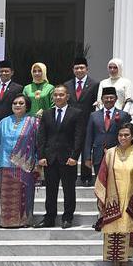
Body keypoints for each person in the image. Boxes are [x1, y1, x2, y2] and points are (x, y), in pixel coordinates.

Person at [95, 121, 133, 266]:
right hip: (112, 199)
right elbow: (102, 176)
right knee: (112, 229)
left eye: (126, 135)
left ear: (132, 136)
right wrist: (102, 198)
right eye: (120, 135)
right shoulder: (110, 153)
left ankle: (124, 263)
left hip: (130, 198)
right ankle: (114, 263)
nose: (123, 137)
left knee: (126, 230)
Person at [37, 85, 85, 228]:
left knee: (69, 190)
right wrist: (41, 156)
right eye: (56, 95)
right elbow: (41, 136)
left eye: (61, 95)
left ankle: (67, 217)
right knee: (50, 191)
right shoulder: (46, 114)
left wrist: (75, 156)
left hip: (68, 159)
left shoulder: (76, 113)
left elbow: (79, 136)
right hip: (50, 159)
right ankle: (49, 218)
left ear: (67, 96)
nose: (58, 97)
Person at [0, 93, 40, 228]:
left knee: (26, 193)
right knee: (6, 194)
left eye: (21, 103)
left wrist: (36, 162)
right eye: (15, 103)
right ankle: (6, 221)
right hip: (5, 163)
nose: (17, 105)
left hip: (25, 164)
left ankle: (25, 221)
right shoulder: (4, 122)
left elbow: (37, 144)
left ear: (27, 106)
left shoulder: (33, 122)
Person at [82, 86, 129, 188]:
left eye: (111, 97)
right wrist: (87, 157)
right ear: (102, 99)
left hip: (118, 155)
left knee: (116, 185)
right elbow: (89, 137)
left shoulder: (123, 115)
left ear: (116, 99)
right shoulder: (94, 115)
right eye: (106, 98)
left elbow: (128, 137)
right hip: (98, 155)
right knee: (100, 185)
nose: (109, 100)